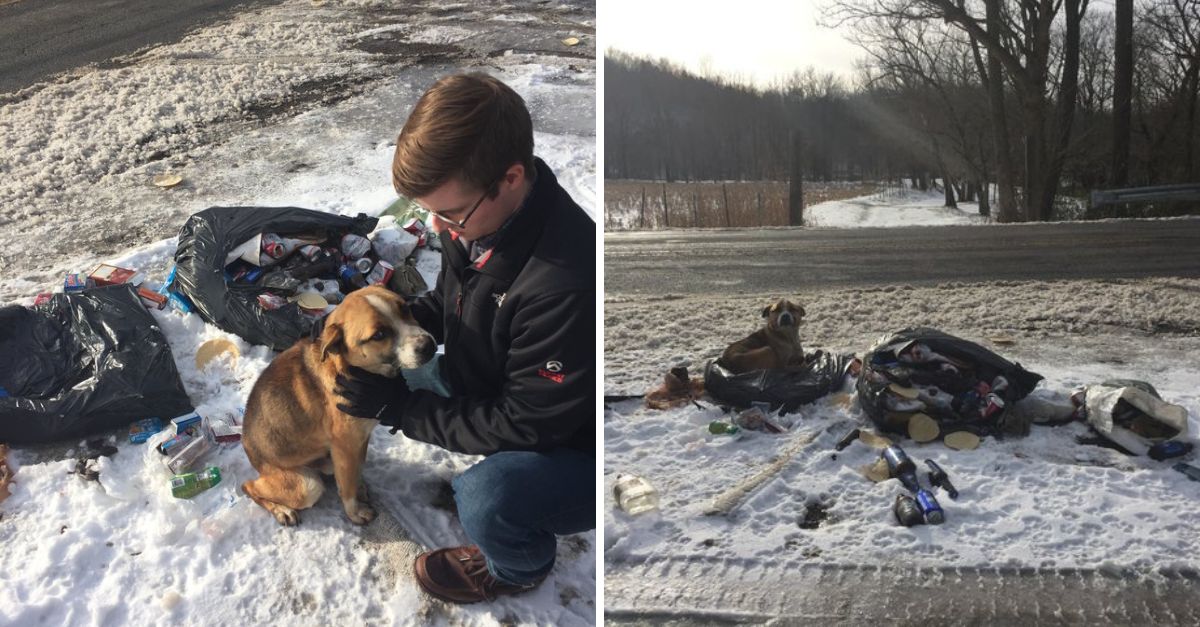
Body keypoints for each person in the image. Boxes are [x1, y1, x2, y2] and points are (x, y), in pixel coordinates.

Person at [333, 72, 596, 604]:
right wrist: (391, 320)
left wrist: (399, 410)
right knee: (409, 359)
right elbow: (455, 302)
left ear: (511, 177)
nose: (438, 227)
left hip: (575, 444)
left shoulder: (565, 284)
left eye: (449, 213)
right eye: (431, 212)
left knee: (486, 497)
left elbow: (525, 424)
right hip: (506, 380)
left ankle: (519, 566)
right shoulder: (480, 223)